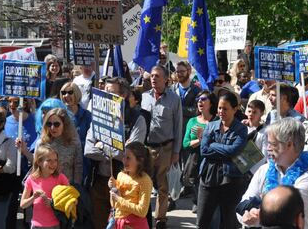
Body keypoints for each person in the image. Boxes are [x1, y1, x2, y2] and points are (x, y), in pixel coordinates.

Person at [237, 117, 308, 229]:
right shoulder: (264, 170)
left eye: (272, 144)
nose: (268, 148)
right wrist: (248, 213)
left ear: (289, 144)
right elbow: (240, 207)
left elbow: (280, 214)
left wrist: (255, 210)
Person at [85, 76, 147, 229]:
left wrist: (102, 146)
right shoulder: (99, 117)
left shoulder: (137, 120)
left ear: (123, 95)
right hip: (99, 181)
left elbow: (130, 155)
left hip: (126, 186)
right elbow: (88, 150)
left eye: (110, 92)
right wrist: (116, 149)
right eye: (104, 91)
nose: (104, 95)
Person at [197, 92, 248, 229]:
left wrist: (213, 145)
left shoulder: (241, 129)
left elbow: (234, 151)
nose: (221, 112)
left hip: (231, 179)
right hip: (208, 176)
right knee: (203, 220)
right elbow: (204, 151)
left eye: (225, 109)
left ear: (235, 109)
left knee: (228, 221)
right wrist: (224, 151)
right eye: (219, 108)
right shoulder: (211, 126)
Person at [141, 65, 183, 229]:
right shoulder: (144, 97)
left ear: (166, 79)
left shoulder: (174, 99)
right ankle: (144, 216)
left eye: (157, 76)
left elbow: (178, 126)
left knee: (162, 186)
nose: (153, 78)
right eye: (152, 76)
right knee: (144, 183)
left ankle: (160, 219)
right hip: (146, 148)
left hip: (166, 148)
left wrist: (176, 152)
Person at [18, 108, 83, 185]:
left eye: (56, 124)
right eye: (49, 124)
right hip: (45, 188)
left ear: (64, 124)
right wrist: (25, 151)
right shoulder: (42, 142)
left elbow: (78, 168)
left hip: (66, 189)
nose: (52, 128)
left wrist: (75, 187)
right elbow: (36, 164)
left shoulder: (74, 143)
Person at [182, 90, 217, 213]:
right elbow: (186, 144)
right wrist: (200, 140)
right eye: (198, 99)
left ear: (211, 103)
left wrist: (203, 137)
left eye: (203, 99)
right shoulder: (192, 121)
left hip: (212, 165)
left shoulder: (216, 121)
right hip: (196, 163)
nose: (200, 101)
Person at [4, 97, 36, 229]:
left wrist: (25, 150)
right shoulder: (5, 121)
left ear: (24, 103)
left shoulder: (34, 121)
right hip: (11, 171)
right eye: (9, 101)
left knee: (29, 209)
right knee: (10, 207)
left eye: (16, 102)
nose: (12, 105)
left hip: (30, 170)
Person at [20, 144, 69, 229]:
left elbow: (71, 200)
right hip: (36, 225)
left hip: (56, 224)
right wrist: (33, 197)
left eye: (55, 160)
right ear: (39, 162)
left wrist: (53, 203)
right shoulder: (31, 179)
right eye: (49, 160)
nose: (53, 164)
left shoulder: (61, 178)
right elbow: (23, 205)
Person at [108, 142, 153, 229]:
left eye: (128, 158)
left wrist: (119, 199)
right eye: (124, 156)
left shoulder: (145, 181)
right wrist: (113, 188)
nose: (124, 160)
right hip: (119, 223)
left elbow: (142, 211)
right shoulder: (120, 175)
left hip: (135, 225)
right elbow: (114, 205)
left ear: (140, 160)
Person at [242, 99, 267, 173]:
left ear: (261, 113)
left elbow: (264, 155)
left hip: (254, 172)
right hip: (238, 168)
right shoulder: (241, 127)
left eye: (254, 112)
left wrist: (252, 172)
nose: (251, 114)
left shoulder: (265, 132)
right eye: (249, 111)